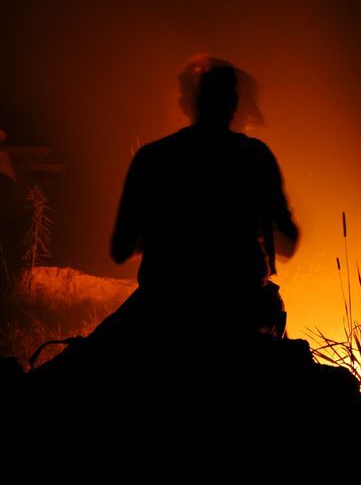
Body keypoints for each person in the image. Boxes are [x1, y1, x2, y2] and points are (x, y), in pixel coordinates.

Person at [110, 54, 299, 329]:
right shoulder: (256, 157)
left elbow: (120, 249)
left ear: (189, 104)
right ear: (235, 105)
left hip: (161, 313)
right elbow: (288, 244)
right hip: (241, 316)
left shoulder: (152, 157)